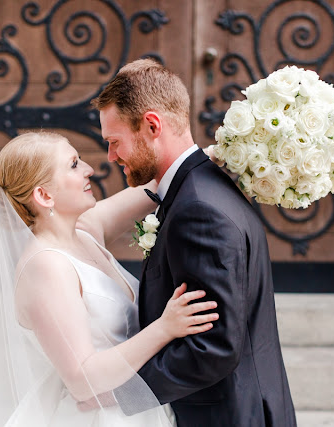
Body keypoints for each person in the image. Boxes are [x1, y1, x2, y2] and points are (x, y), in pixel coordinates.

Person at [0, 131, 219, 427]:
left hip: (136, 407)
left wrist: (229, 148)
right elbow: (81, 378)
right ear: (44, 195)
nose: (89, 169)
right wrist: (164, 329)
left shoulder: (85, 231)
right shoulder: (46, 267)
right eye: (74, 164)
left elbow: (157, 186)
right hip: (98, 418)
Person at [93, 59, 297, 426]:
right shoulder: (205, 187)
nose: (110, 157)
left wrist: (118, 395)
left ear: (151, 125)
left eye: (114, 142)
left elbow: (213, 346)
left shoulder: (198, 210)